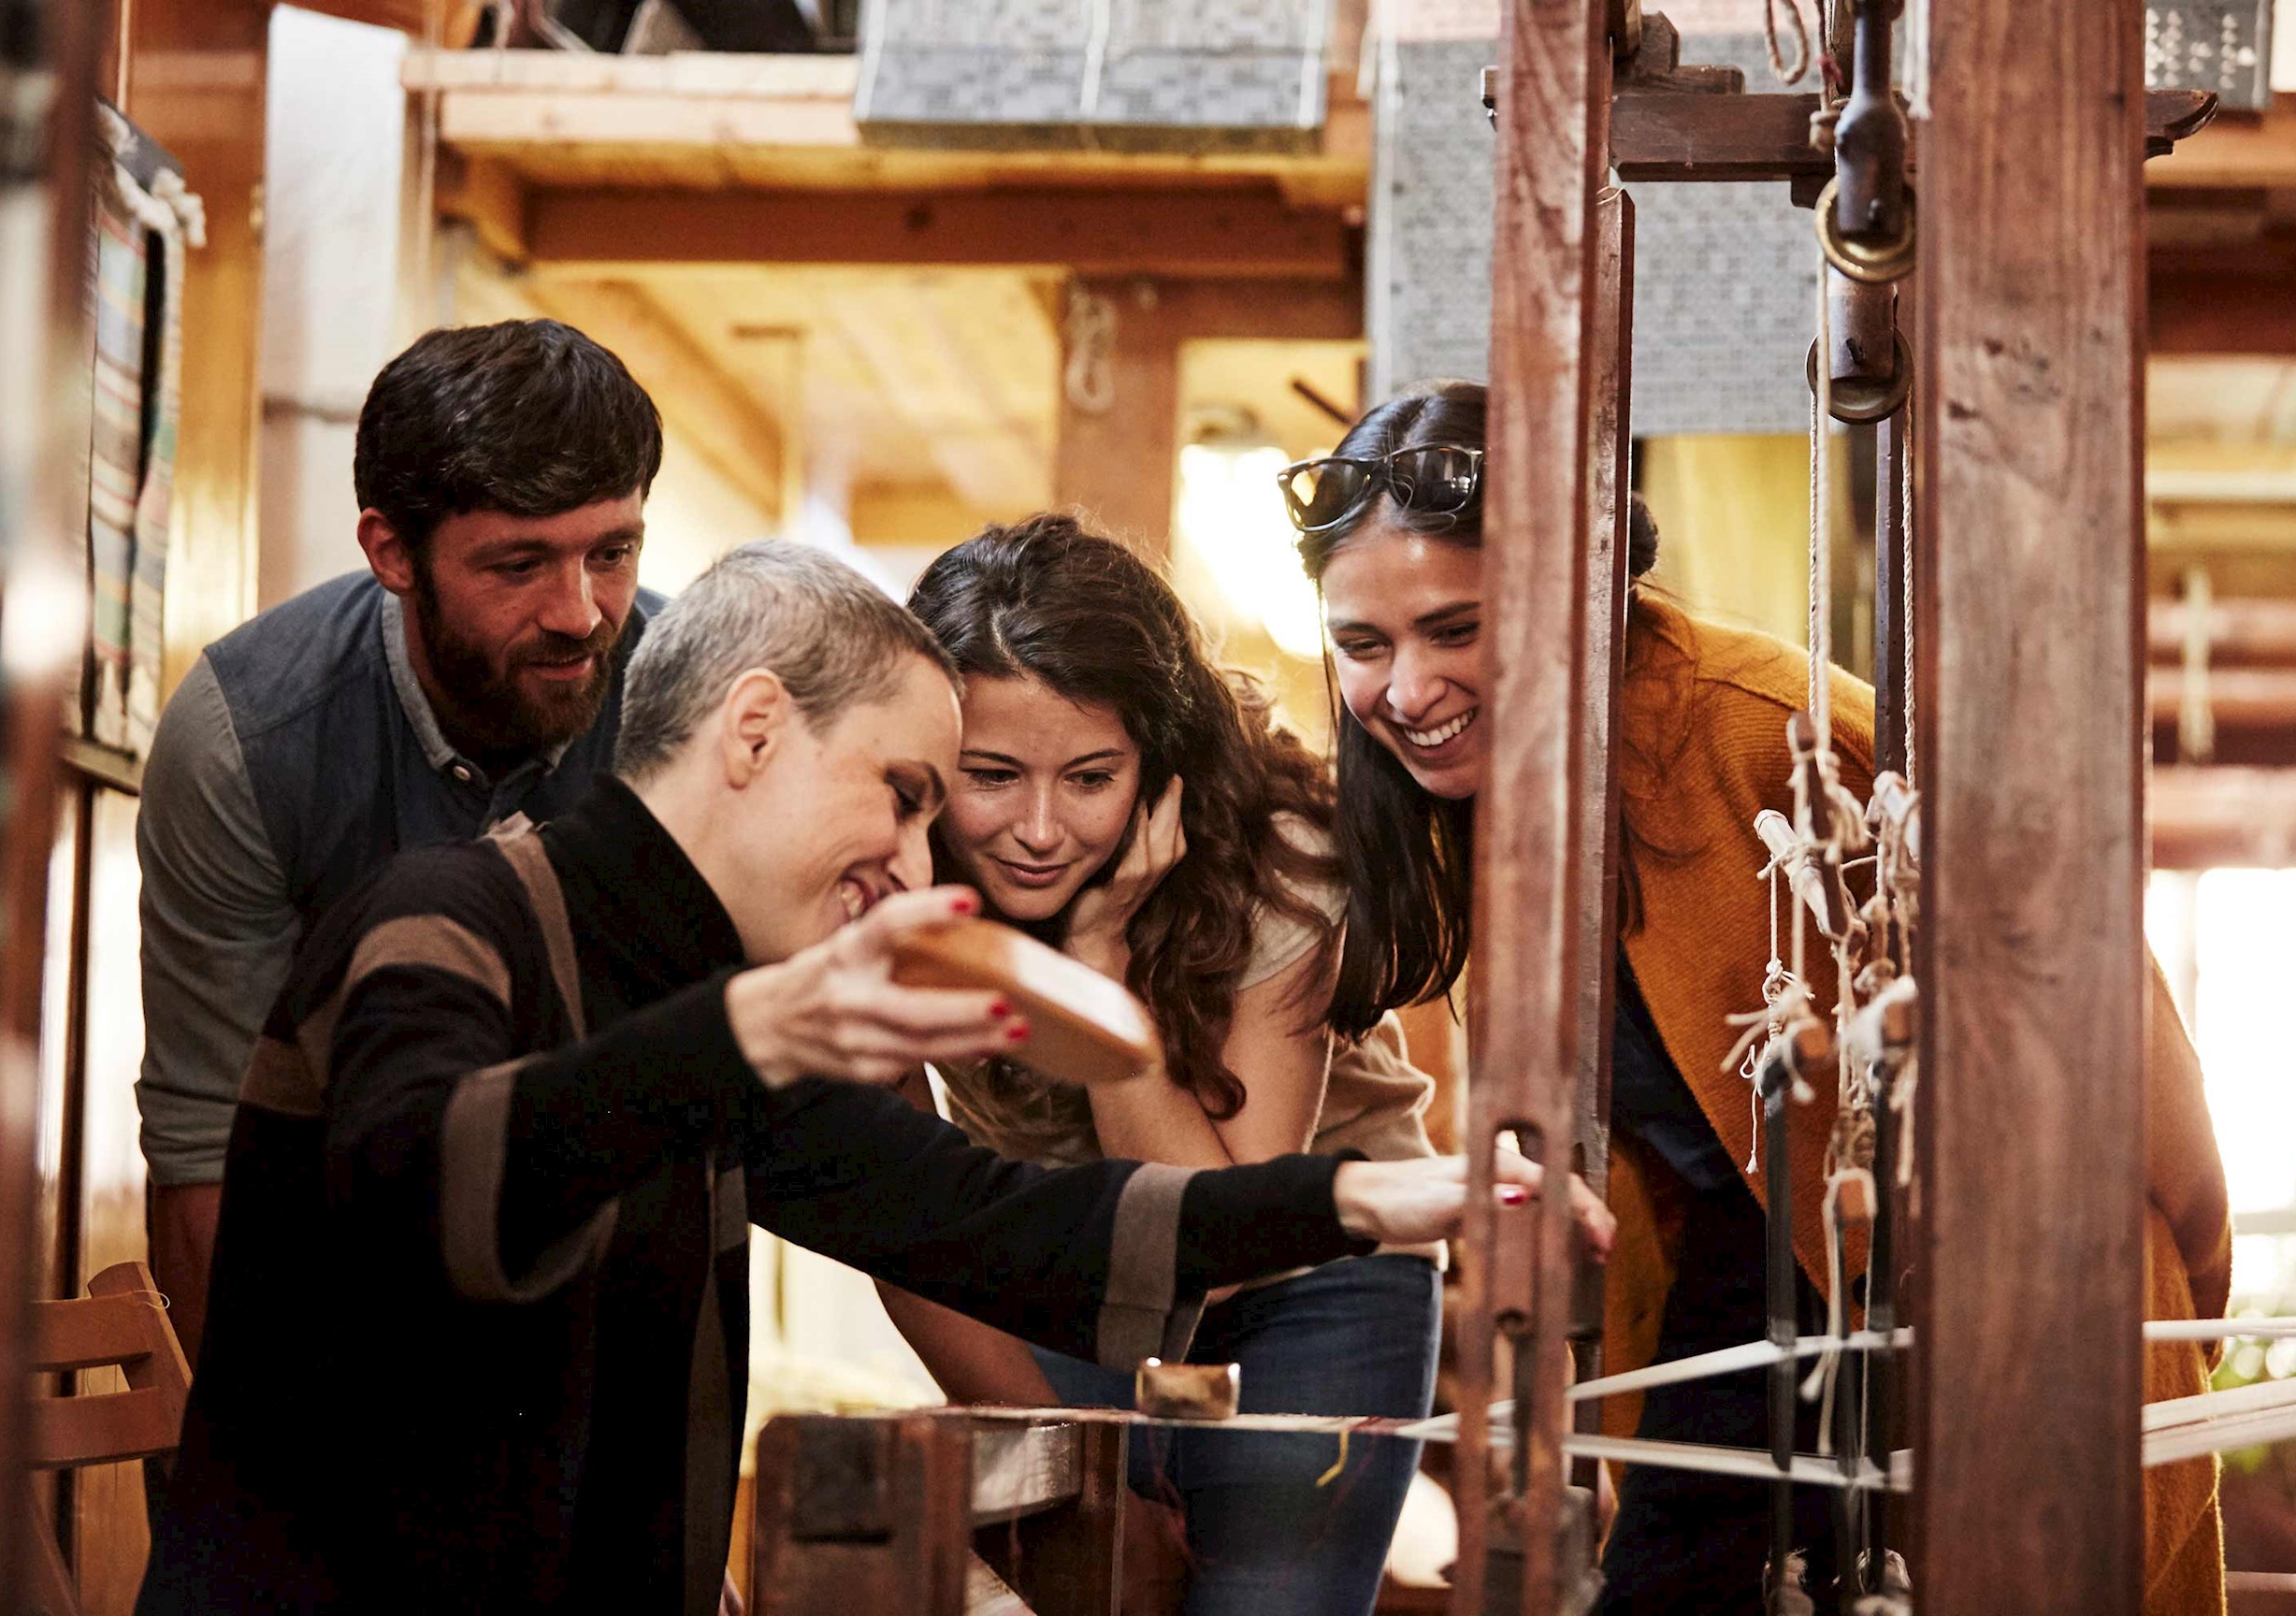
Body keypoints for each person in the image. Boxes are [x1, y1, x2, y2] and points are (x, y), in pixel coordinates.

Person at [138, 542, 1538, 1615]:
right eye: (911, 791)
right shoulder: (442, 914)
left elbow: (999, 1226)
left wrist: (1368, 1201)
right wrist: (750, 1034)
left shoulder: (731, 1013)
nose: (927, 865)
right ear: (753, 732)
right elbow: (433, 1186)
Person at [1284, 380, 2234, 1616]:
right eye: (1364, 644)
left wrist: (2179, 1320)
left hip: (2000, 1316)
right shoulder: (1490, 811)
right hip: (1743, 1324)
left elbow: (2118, 1034)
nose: (1406, 691)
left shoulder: (1772, 736)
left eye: (1455, 629)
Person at [888, 516, 1552, 1616]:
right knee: (1091, 1586)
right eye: (991, 776)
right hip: (1060, 1261)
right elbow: (898, 1220)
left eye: (1092, 776)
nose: (1041, 830)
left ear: (1160, 761)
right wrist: (1079, 1478)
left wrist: (1103, 970)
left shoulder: (1283, 850)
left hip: (1309, 1277)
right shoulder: (882, 867)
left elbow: (1220, 1240)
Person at [136, 318, 665, 1359]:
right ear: (392, 552)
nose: (580, 612)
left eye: (612, 552)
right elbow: (208, 1152)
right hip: (325, 1284)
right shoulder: (248, 739)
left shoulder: (690, 705)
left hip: (622, 1286)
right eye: (519, 564)